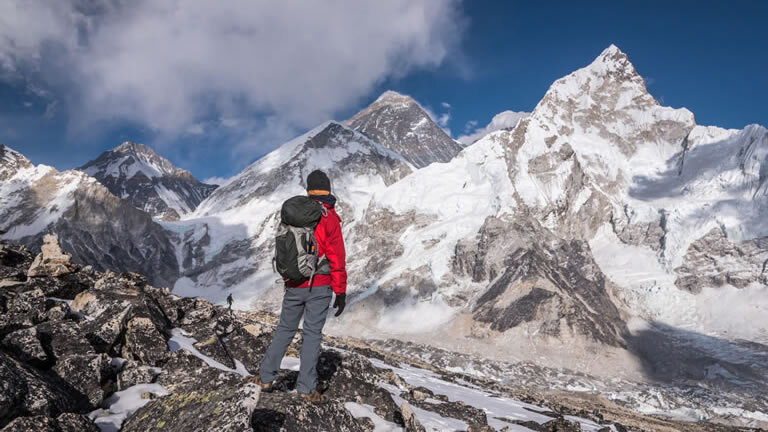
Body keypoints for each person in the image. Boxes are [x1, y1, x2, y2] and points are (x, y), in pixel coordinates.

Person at [252, 170, 347, 403]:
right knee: (312, 335)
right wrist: (340, 290)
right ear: (328, 190)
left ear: (308, 190)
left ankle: (265, 378)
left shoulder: (294, 213)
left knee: (284, 330)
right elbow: (336, 256)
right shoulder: (329, 217)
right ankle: (305, 389)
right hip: (320, 286)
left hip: (294, 283)